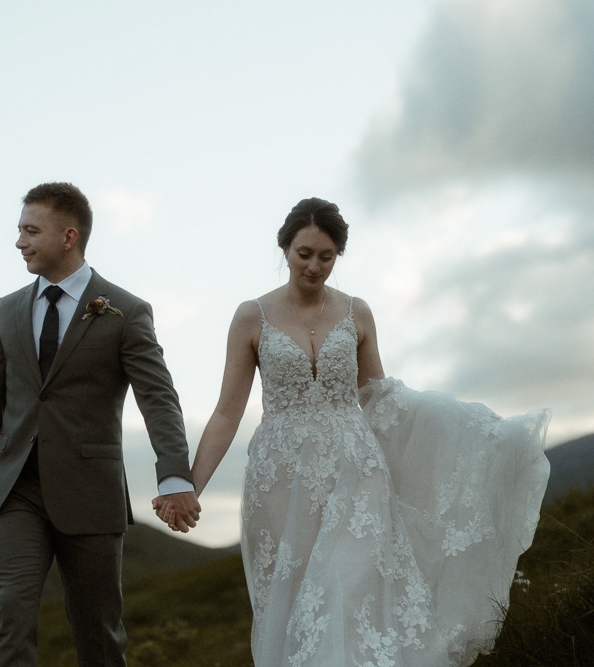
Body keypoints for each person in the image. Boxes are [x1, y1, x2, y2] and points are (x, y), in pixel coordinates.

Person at [156, 197, 550, 666]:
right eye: (304, 254)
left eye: (326, 256)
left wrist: (483, 436)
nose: (315, 266)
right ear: (284, 249)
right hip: (280, 478)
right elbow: (226, 413)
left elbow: (381, 398)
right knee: (293, 601)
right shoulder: (250, 317)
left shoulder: (356, 313)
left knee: (351, 591)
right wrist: (187, 488)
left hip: (356, 471)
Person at [0, 182, 201, 667]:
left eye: (30, 230)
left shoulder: (125, 311)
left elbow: (158, 398)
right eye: (19, 230)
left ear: (68, 237)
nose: (19, 241)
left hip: (89, 492)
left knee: (98, 633)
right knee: (12, 617)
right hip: (13, 489)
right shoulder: (7, 310)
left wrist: (174, 476)